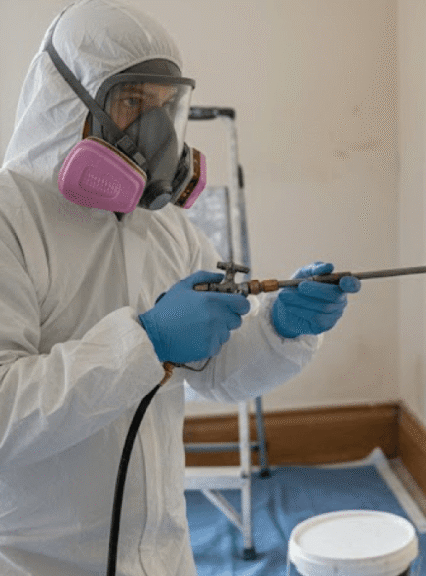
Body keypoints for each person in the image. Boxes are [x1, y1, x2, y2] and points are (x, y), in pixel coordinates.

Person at [0, 1, 359, 574]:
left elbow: (212, 370)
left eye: (167, 106)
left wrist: (278, 328)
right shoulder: (10, 219)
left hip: (162, 554)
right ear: (70, 101)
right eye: (133, 102)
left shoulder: (166, 226)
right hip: (37, 560)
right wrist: (146, 342)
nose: (157, 131)